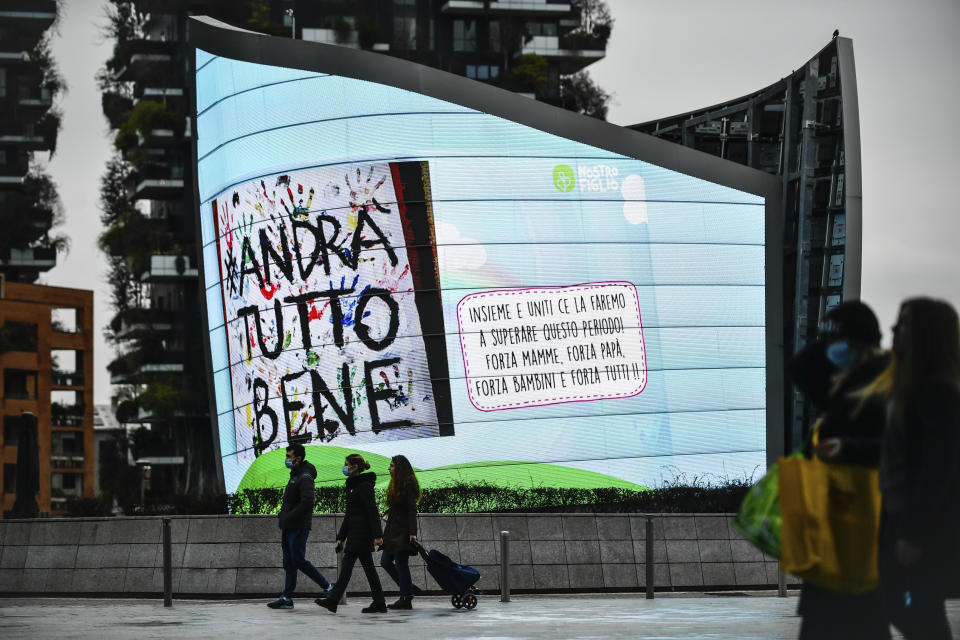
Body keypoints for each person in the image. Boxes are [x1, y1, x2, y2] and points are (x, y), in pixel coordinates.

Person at [786, 301, 891, 640]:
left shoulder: (883, 384)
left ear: (859, 343)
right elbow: (800, 368)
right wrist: (829, 333)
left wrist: (847, 448)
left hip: (864, 521)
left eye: (836, 341)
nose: (829, 349)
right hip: (837, 524)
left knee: (859, 617)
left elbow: (895, 448)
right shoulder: (842, 387)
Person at [872, 298, 960, 639]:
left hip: (918, 521)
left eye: (905, 323)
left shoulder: (937, 390)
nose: (894, 329)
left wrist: (915, 532)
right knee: (918, 605)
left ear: (927, 335)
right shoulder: (907, 388)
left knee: (914, 603)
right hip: (898, 516)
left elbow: (938, 468)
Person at [315, 453, 387, 614]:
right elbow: (349, 516)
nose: (345, 467)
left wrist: (378, 535)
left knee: (347, 567)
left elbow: (372, 510)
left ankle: (333, 600)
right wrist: (341, 537)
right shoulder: (353, 487)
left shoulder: (365, 486)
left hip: (361, 534)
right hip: (355, 532)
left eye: (346, 464)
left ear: (354, 467)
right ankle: (379, 602)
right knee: (368, 569)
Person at [267, 443, 331, 610]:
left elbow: (308, 502)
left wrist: (288, 516)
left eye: (289, 456)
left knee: (298, 559)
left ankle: (329, 588)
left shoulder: (305, 476)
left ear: (298, 458)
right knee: (289, 562)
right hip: (289, 526)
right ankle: (287, 598)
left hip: (298, 526)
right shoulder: (295, 475)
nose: (286, 459)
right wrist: (284, 516)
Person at [380, 455, 422, 609]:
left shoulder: (408, 483)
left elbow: (412, 509)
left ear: (399, 468)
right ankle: (408, 589)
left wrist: (412, 533)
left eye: (391, 466)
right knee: (385, 561)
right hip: (392, 531)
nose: (389, 468)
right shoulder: (395, 483)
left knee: (401, 563)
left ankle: (406, 598)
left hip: (403, 531)